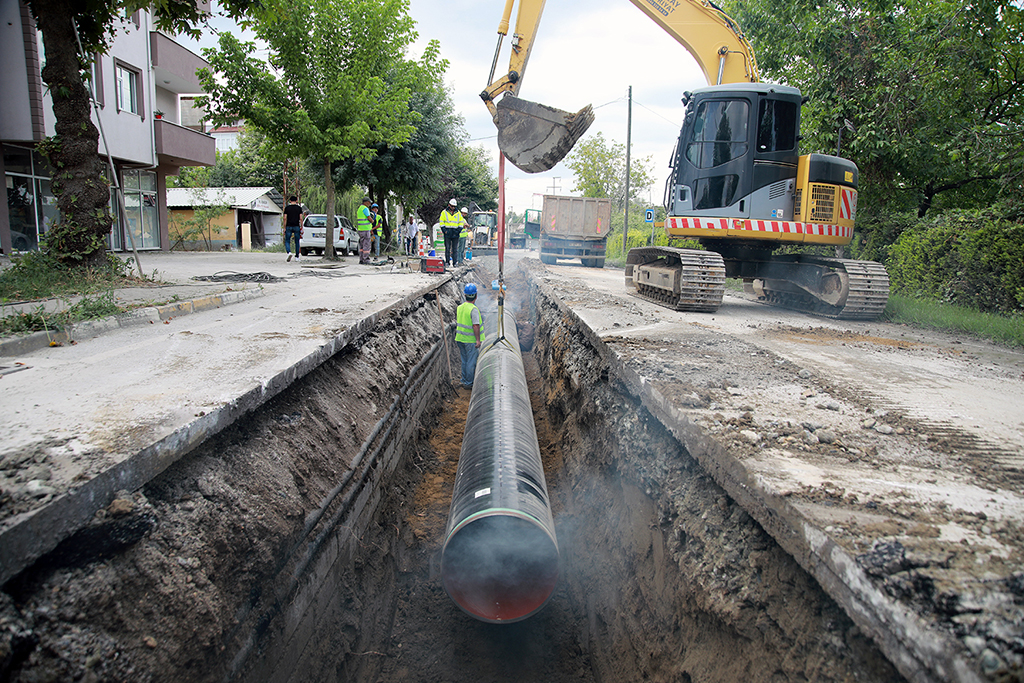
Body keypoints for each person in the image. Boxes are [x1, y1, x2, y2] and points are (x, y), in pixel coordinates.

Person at [455, 283, 485, 389]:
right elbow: (475, 325)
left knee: (464, 361)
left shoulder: (460, 307)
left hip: (460, 338)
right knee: (471, 362)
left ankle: (464, 380)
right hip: (470, 340)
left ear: (465, 295)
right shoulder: (473, 309)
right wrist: (478, 340)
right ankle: (469, 383)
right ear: (476, 296)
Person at [439, 198, 462, 267]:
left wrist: (458, 231)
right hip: (448, 233)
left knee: (455, 249)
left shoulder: (458, 213)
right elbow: (441, 222)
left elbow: (461, 222)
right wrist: (444, 231)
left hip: (455, 233)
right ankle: (447, 262)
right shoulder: (444, 212)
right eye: (452, 206)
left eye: (454, 206)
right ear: (449, 205)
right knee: (447, 248)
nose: (453, 208)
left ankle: (455, 262)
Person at [283, 196, 306, 262]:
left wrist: (284, 227)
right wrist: (302, 226)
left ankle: (289, 252)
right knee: (297, 241)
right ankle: (297, 257)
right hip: (296, 226)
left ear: (290, 201)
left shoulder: (287, 208)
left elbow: (285, 218)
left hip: (289, 226)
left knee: (287, 240)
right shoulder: (299, 208)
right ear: (296, 201)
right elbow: (301, 218)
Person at [355, 196, 373, 264]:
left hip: (360, 229)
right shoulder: (365, 209)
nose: (369, 204)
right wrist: (372, 221)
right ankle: (366, 259)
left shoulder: (359, 208)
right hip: (365, 229)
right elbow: (369, 218)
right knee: (367, 245)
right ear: (366, 202)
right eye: (368, 202)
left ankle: (361, 259)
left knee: (362, 245)